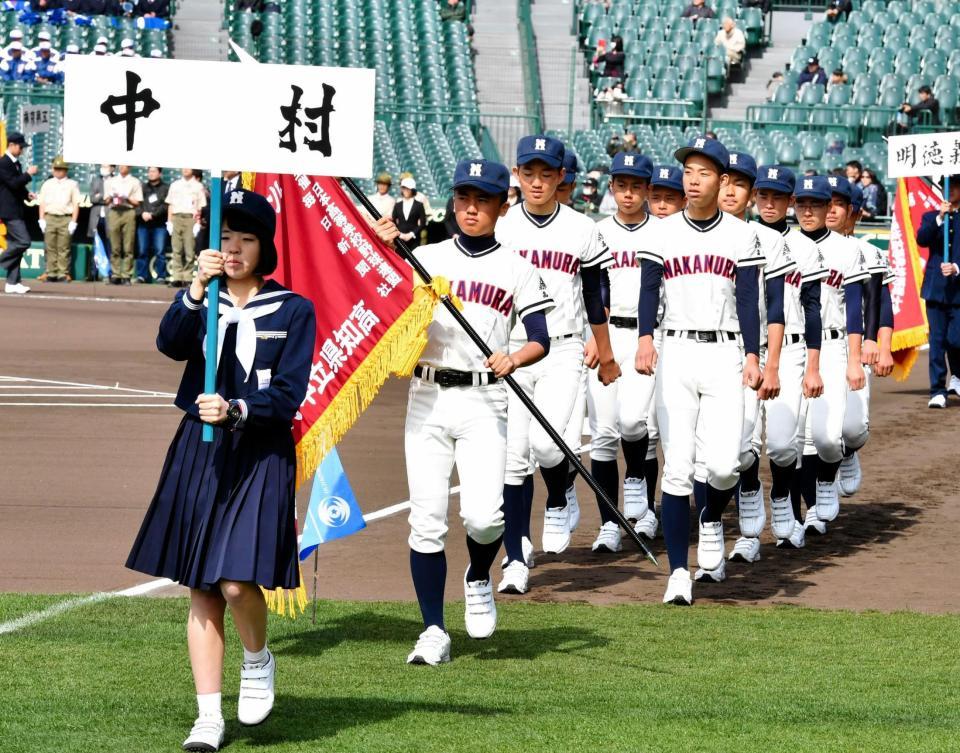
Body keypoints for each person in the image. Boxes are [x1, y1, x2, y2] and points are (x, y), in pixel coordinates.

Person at [126, 189, 316, 753]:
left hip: (259, 450)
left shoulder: (293, 309)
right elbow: (169, 344)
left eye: (246, 238)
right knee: (203, 585)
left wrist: (237, 410)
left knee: (236, 582)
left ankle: (258, 659)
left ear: (265, 246)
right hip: (200, 449)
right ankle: (208, 716)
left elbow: (288, 395)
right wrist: (193, 289)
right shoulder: (202, 299)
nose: (233, 248)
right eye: (224, 237)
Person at [371, 159, 552, 665]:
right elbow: (375, 292)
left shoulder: (516, 267)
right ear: (453, 201)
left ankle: (478, 575)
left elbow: (540, 338)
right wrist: (382, 246)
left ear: (501, 205)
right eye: (464, 198)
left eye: (484, 200)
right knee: (426, 520)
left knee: (484, 516)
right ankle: (433, 629)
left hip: (484, 398)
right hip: (427, 396)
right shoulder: (422, 256)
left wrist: (514, 357)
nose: (472, 208)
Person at [635, 137, 764, 605]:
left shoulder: (740, 234)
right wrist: (645, 337)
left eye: (703, 172)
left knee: (726, 465)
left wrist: (753, 355)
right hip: (677, 352)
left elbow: (748, 299)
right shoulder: (662, 232)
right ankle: (677, 572)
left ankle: (711, 518)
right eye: (688, 170)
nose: (692, 179)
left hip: (725, 353)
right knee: (676, 471)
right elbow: (650, 288)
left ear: (723, 181)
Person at [496, 134, 618, 595]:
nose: (538, 181)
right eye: (530, 173)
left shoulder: (581, 228)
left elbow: (594, 293)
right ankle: (514, 558)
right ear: (518, 175)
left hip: (564, 348)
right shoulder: (504, 228)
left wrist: (603, 352)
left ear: (560, 176)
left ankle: (561, 493)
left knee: (548, 450)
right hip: (514, 347)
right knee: (514, 458)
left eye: (547, 173)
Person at [693, 152, 791, 578]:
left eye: (739, 185)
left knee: (738, 448)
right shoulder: (695, 233)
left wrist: (770, 364)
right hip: (702, 354)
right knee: (703, 456)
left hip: (745, 354)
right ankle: (709, 544)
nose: (730, 191)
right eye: (726, 182)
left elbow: (773, 309)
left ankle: (749, 518)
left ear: (749, 194)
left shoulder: (765, 241)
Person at [585, 153, 659, 553]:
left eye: (636, 186)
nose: (628, 193)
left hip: (647, 336)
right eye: (621, 185)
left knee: (633, 423)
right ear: (611, 187)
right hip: (605, 334)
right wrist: (594, 336)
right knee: (602, 436)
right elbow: (592, 289)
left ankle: (637, 482)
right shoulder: (596, 232)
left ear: (647, 189)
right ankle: (608, 523)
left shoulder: (663, 233)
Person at [751, 165, 827, 549]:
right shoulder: (740, 238)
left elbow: (813, 308)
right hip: (747, 348)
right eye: (763, 195)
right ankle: (749, 532)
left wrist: (814, 364)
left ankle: (782, 494)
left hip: (794, 348)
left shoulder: (805, 248)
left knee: (782, 445)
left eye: (777, 196)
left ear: (790, 202)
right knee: (743, 446)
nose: (769, 203)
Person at [791, 175, 871, 537]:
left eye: (816, 204)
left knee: (828, 437)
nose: (808, 211)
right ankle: (806, 507)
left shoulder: (847, 249)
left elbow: (854, 307)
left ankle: (826, 477)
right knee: (800, 437)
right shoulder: (783, 244)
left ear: (828, 208)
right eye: (802, 204)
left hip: (835, 344)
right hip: (794, 345)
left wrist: (855, 359)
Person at [832, 182, 894, 497]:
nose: (829, 209)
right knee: (813, 434)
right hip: (815, 345)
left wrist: (882, 346)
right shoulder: (802, 249)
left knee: (852, 429)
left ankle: (849, 451)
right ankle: (818, 496)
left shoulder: (870, 252)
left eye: (838, 204)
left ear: (854, 213)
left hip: (856, 347)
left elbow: (881, 306)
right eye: (824, 202)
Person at [916, 175, 960, 408]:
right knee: (937, 341)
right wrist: (941, 217)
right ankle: (937, 390)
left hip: (958, 290)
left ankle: (958, 375)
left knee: (956, 339)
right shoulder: (931, 216)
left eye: (955, 186)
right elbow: (922, 240)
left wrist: (956, 267)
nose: (950, 190)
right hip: (935, 289)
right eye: (947, 185)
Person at [0, 132, 37, 294]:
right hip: (9, 210)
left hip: (16, 208)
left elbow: (17, 187)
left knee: (18, 245)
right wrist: (28, 174)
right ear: (12, 145)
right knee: (24, 242)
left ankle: (12, 282)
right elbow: (13, 183)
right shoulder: (3, 163)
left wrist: (26, 194)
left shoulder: (15, 163)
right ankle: (2, 262)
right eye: (20, 147)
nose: (22, 150)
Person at [37, 156, 80, 283]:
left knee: (64, 247)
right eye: (56, 169)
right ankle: (51, 272)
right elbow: (42, 203)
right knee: (50, 247)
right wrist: (41, 219)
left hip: (65, 218)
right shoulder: (47, 183)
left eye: (61, 169)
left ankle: (63, 272)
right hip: (49, 216)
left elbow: (75, 203)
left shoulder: (72, 184)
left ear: (66, 170)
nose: (58, 171)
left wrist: (73, 221)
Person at [166, 167, 207, 287]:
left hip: (191, 218)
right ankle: (177, 277)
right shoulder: (175, 185)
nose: (185, 169)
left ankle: (188, 277)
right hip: (176, 217)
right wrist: (169, 221)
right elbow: (171, 204)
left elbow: (200, 207)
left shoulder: (198, 186)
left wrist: (198, 222)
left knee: (189, 249)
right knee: (176, 249)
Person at [105, 164, 143, 284]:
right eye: (120, 165)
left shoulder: (135, 182)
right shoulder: (111, 181)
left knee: (128, 245)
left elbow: (138, 202)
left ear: (129, 167)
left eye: (125, 165)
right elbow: (106, 200)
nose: (122, 167)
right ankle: (116, 274)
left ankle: (127, 274)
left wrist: (127, 197)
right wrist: (112, 196)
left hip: (128, 211)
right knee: (114, 245)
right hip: (114, 211)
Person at [136, 166, 169, 283]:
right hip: (143, 223)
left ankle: (161, 276)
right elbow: (137, 202)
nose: (150, 173)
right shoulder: (142, 187)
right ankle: (141, 275)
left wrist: (153, 214)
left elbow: (166, 205)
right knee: (142, 250)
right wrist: (142, 213)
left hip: (159, 224)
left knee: (160, 251)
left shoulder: (166, 188)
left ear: (159, 173)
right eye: (149, 171)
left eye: (153, 171)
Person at [391, 176, 427, 250]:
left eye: (408, 189)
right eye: (404, 188)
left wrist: (411, 234)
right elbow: (393, 221)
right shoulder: (398, 205)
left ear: (412, 190)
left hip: (414, 240)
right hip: (399, 239)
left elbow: (423, 223)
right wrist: (400, 234)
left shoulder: (419, 205)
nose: (406, 191)